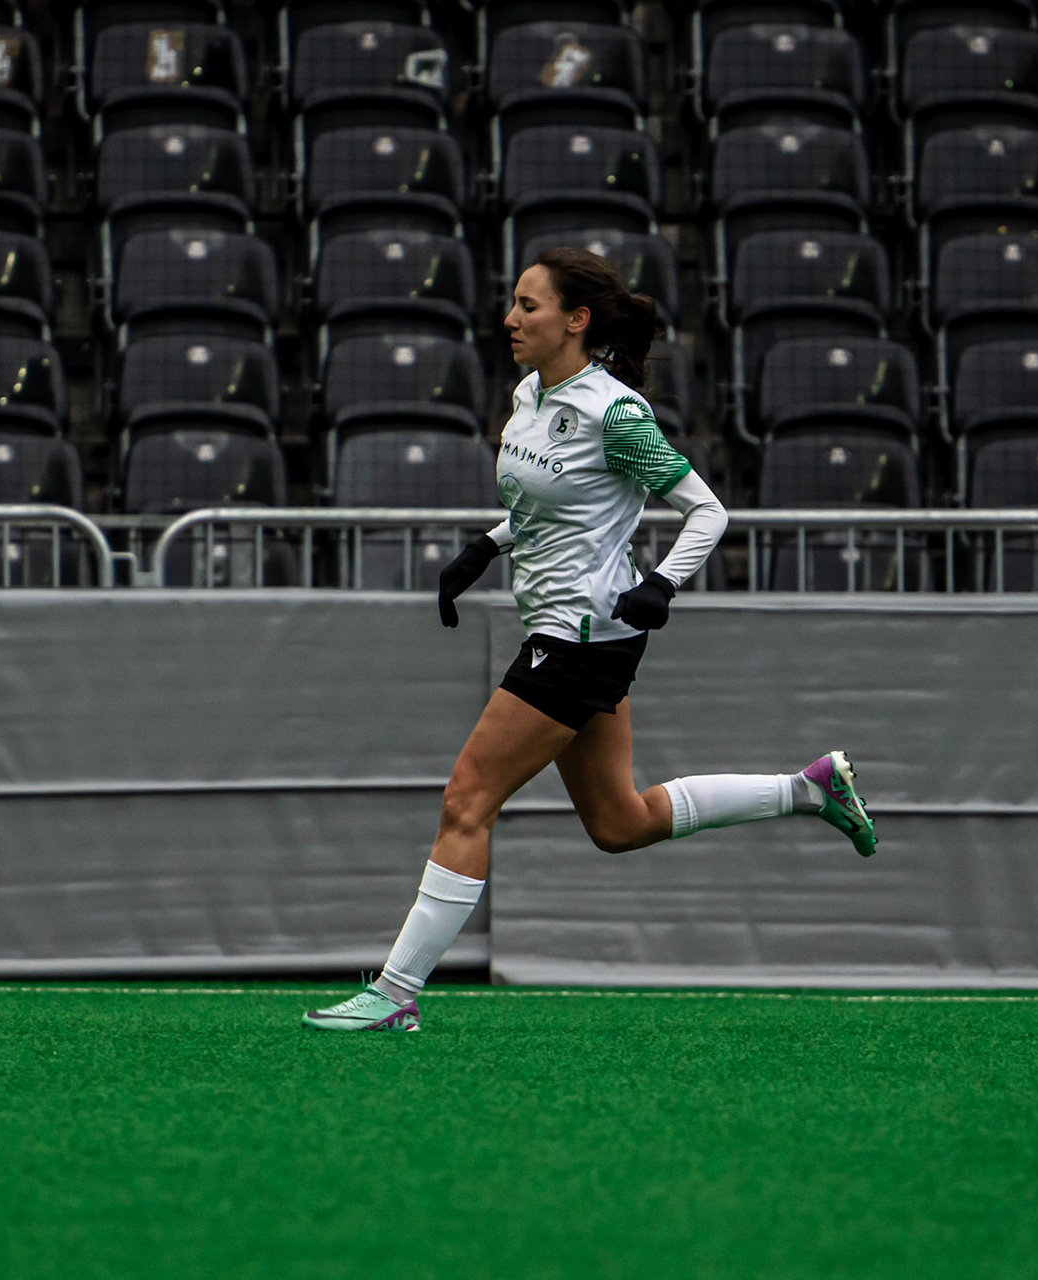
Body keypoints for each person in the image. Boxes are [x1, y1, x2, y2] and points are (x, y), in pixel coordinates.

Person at [303, 248, 875, 1032]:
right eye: (512, 302)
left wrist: (662, 584)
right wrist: (487, 546)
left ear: (576, 321)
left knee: (466, 799)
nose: (510, 318)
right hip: (569, 629)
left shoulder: (617, 413)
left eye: (528, 306)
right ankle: (810, 788)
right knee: (620, 823)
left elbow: (706, 512)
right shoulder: (531, 393)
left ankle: (395, 993)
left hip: (582, 636)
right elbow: (558, 502)